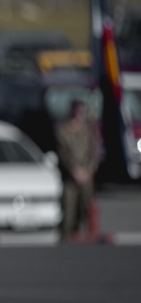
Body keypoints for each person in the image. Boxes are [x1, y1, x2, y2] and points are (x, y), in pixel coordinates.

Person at [54, 99, 100, 242]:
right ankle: (66, 238)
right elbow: (63, 154)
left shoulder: (88, 131)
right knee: (69, 211)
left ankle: (84, 238)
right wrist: (74, 170)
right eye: (77, 112)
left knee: (86, 209)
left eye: (82, 112)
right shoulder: (63, 131)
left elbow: (94, 152)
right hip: (70, 176)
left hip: (86, 176)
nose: (79, 115)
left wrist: (88, 170)